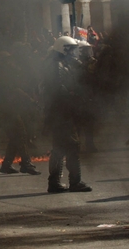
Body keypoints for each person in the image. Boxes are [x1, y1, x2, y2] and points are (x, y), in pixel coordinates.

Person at [42, 36, 92, 193]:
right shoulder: (56, 66)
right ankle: (75, 182)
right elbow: (58, 90)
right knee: (72, 146)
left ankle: (54, 182)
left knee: (59, 148)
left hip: (60, 113)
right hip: (61, 114)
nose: (74, 53)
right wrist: (74, 96)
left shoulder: (59, 64)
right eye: (72, 50)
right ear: (64, 49)